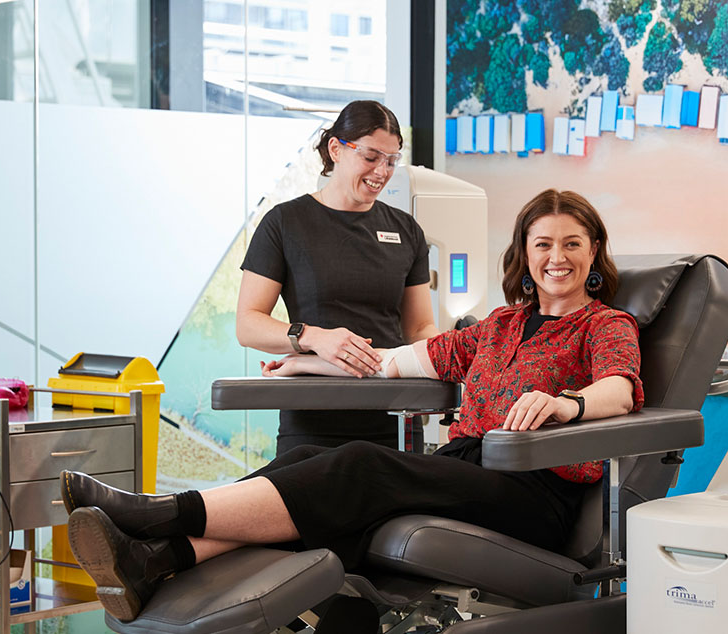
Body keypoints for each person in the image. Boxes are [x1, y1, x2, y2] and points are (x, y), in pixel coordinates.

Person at [61, 189, 645, 627]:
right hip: (470, 468)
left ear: (594, 252)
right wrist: (306, 360)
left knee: (362, 463)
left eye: (572, 243)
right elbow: (394, 361)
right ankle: (159, 556)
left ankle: (159, 514)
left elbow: (618, 388)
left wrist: (566, 405)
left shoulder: (605, 323)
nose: (557, 257)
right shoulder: (501, 324)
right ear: (524, 252)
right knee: (315, 458)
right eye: (543, 243)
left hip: (533, 489)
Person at [237, 100, 437, 455]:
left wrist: (451, 356)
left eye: (392, 160)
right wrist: (313, 338)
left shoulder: (406, 230)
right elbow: (248, 325)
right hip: (312, 422)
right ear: (336, 149)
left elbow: (420, 329)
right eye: (372, 156)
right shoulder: (285, 223)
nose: (383, 171)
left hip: (393, 420)